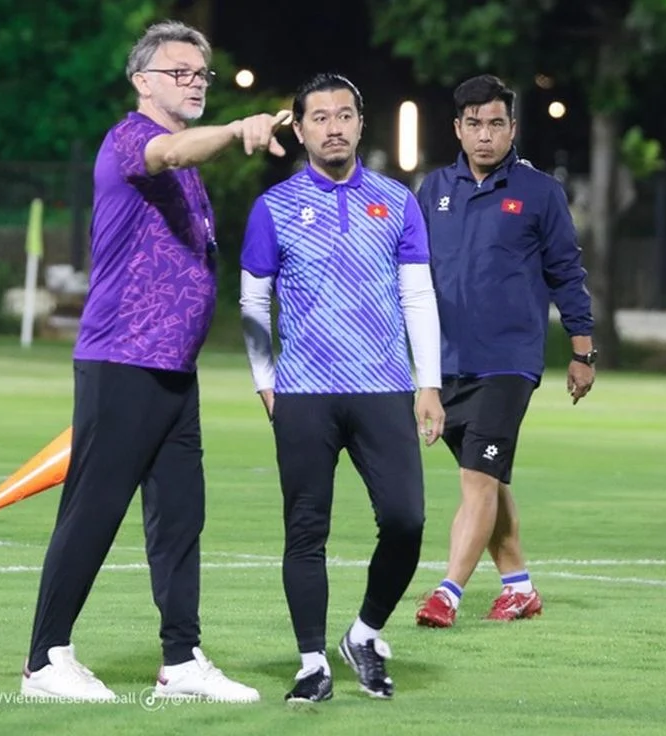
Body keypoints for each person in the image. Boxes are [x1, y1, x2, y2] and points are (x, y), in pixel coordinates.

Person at [21, 20, 292, 704]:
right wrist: (237, 130)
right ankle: (45, 660)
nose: (195, 82)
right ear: (143, 81)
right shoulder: (131, 139)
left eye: (201, 73)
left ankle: (180, 660)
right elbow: (170, 151)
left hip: (173, 368)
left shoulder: (188, 167)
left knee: (179, 519)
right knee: (93, 510)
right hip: (123, 358)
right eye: (180, 72)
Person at [239, 73, 445, 704]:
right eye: (320, 117)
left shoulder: (397, 201)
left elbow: (417, 295)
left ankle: (364, 634)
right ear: (300, 130)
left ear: (360, 123)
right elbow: (253, 301)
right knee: (306, 531)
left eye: (345, 115)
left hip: (384, 386)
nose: (334, 127)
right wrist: (266, 382)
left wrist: (429, 383)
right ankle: (311, 663)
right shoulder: (273, 207)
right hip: (305, 393)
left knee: (407, 520)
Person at [413, 74, 596, 628]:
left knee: (477, 480)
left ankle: (447, 593)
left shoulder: (539, 192)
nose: (485, 135)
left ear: (512, 128)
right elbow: (411, 275)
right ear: (457, 128)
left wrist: (583, 351)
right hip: (444, 363)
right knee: (488, 478)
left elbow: (566, 272)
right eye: (474, 124)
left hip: (508, 362)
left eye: (496, 124)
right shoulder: (432, 190)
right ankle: (519, 587)